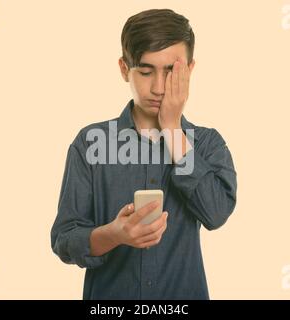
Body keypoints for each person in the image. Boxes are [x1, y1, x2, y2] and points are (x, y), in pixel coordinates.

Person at [50, 8, 237, 300]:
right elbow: (63, 239)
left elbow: (216, 214)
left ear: (189, 70)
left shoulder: (207, 143)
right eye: (146, 71)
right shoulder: (89, 143)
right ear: (125, 69)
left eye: (171, 72)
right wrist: (114, 234)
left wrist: (173, 129)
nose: (159, 88)